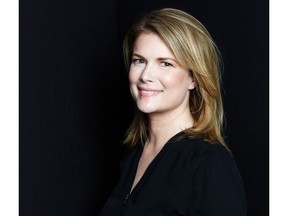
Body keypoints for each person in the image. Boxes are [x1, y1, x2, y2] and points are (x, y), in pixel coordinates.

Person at [99, 8, 247, 216]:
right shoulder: (135, 153)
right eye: (139, 60)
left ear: (193, 78)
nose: (146, 75)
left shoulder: (208, 163)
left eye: (165, 64)